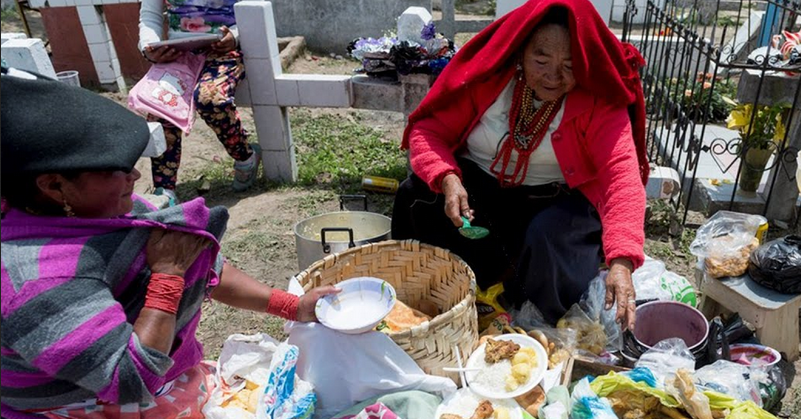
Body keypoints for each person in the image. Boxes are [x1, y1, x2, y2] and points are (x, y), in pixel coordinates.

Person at [0, 68, 338, 418]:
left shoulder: (115, 212)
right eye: (113, 168)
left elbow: (207, 267)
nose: (133, 175)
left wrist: (292, 307)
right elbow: (130, 380)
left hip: (167, 385)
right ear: (54, 186)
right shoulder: (36, 279)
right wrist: (168, 274)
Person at [392, 0, 649, 330]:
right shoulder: (490, 81)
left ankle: (540, 322)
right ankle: (432, 294)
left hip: (554, 200)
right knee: (417, 195)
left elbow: (622, 178)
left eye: (569, 65)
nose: (553, 76)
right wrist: (447, 178)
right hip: (483, 192)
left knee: (550, 236)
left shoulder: (597, 102)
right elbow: (429, 131)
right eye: (541, 59)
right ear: (520, 52)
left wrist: (622, 260)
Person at [138, 0, 259, 193]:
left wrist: (235, 36)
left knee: (210, 100)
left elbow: (253, 11)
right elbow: (150, 16)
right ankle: (164, 191)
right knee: (161, 110)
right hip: (176, 54)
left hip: (223, 51)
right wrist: (149, 48)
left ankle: (245, 157)